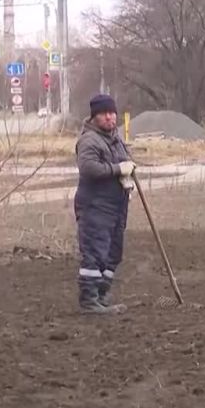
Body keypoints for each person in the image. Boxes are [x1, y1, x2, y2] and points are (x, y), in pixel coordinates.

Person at [74, 93, 136, 314]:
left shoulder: (115, 138)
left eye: (112, 113)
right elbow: (89, 168)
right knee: (95, 252)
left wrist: (128, 176)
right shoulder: (89, 141)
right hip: (95, 206)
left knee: (113, 253)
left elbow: (124, 160)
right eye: (104, 114)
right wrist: (118, 170)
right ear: (95, 117)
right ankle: (89, 300)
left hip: (116, 206)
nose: (110, 117)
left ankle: (102, 295)